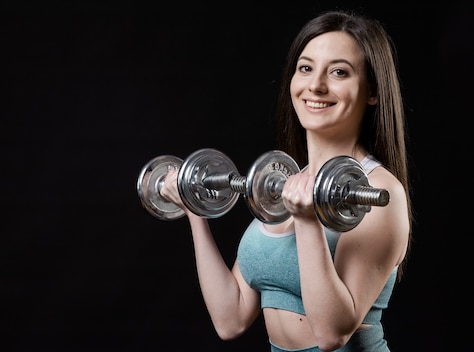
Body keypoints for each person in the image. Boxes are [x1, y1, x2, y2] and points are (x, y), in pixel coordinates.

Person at [159, 9, 413, 352]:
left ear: (373, 91)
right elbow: (230, 319)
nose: (315, 85)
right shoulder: (289, 184)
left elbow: (331, 334)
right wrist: (195, 209)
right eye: (305, 68)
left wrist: (307, 222)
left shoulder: (380, 192)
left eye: (338, 72)